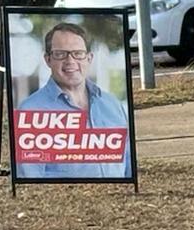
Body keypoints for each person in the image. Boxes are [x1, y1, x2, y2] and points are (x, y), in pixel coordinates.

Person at [16, 22, 131, 179]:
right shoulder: (31, 110)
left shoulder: (112, 105)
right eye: (60, 54)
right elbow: (29, 180)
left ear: (89, 58)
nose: (70, 61)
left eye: (78, 53)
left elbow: (128, 166)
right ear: (48, 59)